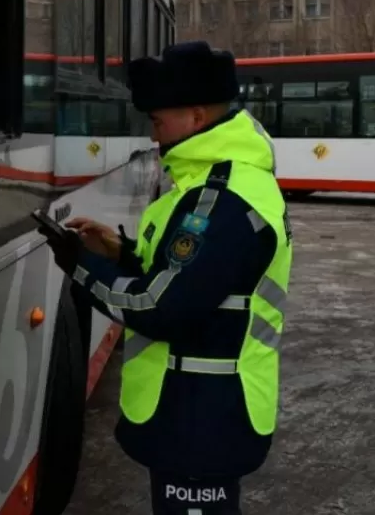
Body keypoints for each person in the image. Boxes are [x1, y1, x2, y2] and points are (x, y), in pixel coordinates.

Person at [39, 41, 292, 515]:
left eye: (158, 121)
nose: (154, 136)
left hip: (203, 419)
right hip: (204, 412)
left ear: (196, 118)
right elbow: (199, 278)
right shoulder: (220, 184)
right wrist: (123, 252)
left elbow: (160, 308)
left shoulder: (220, 200)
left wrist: (79, 264)